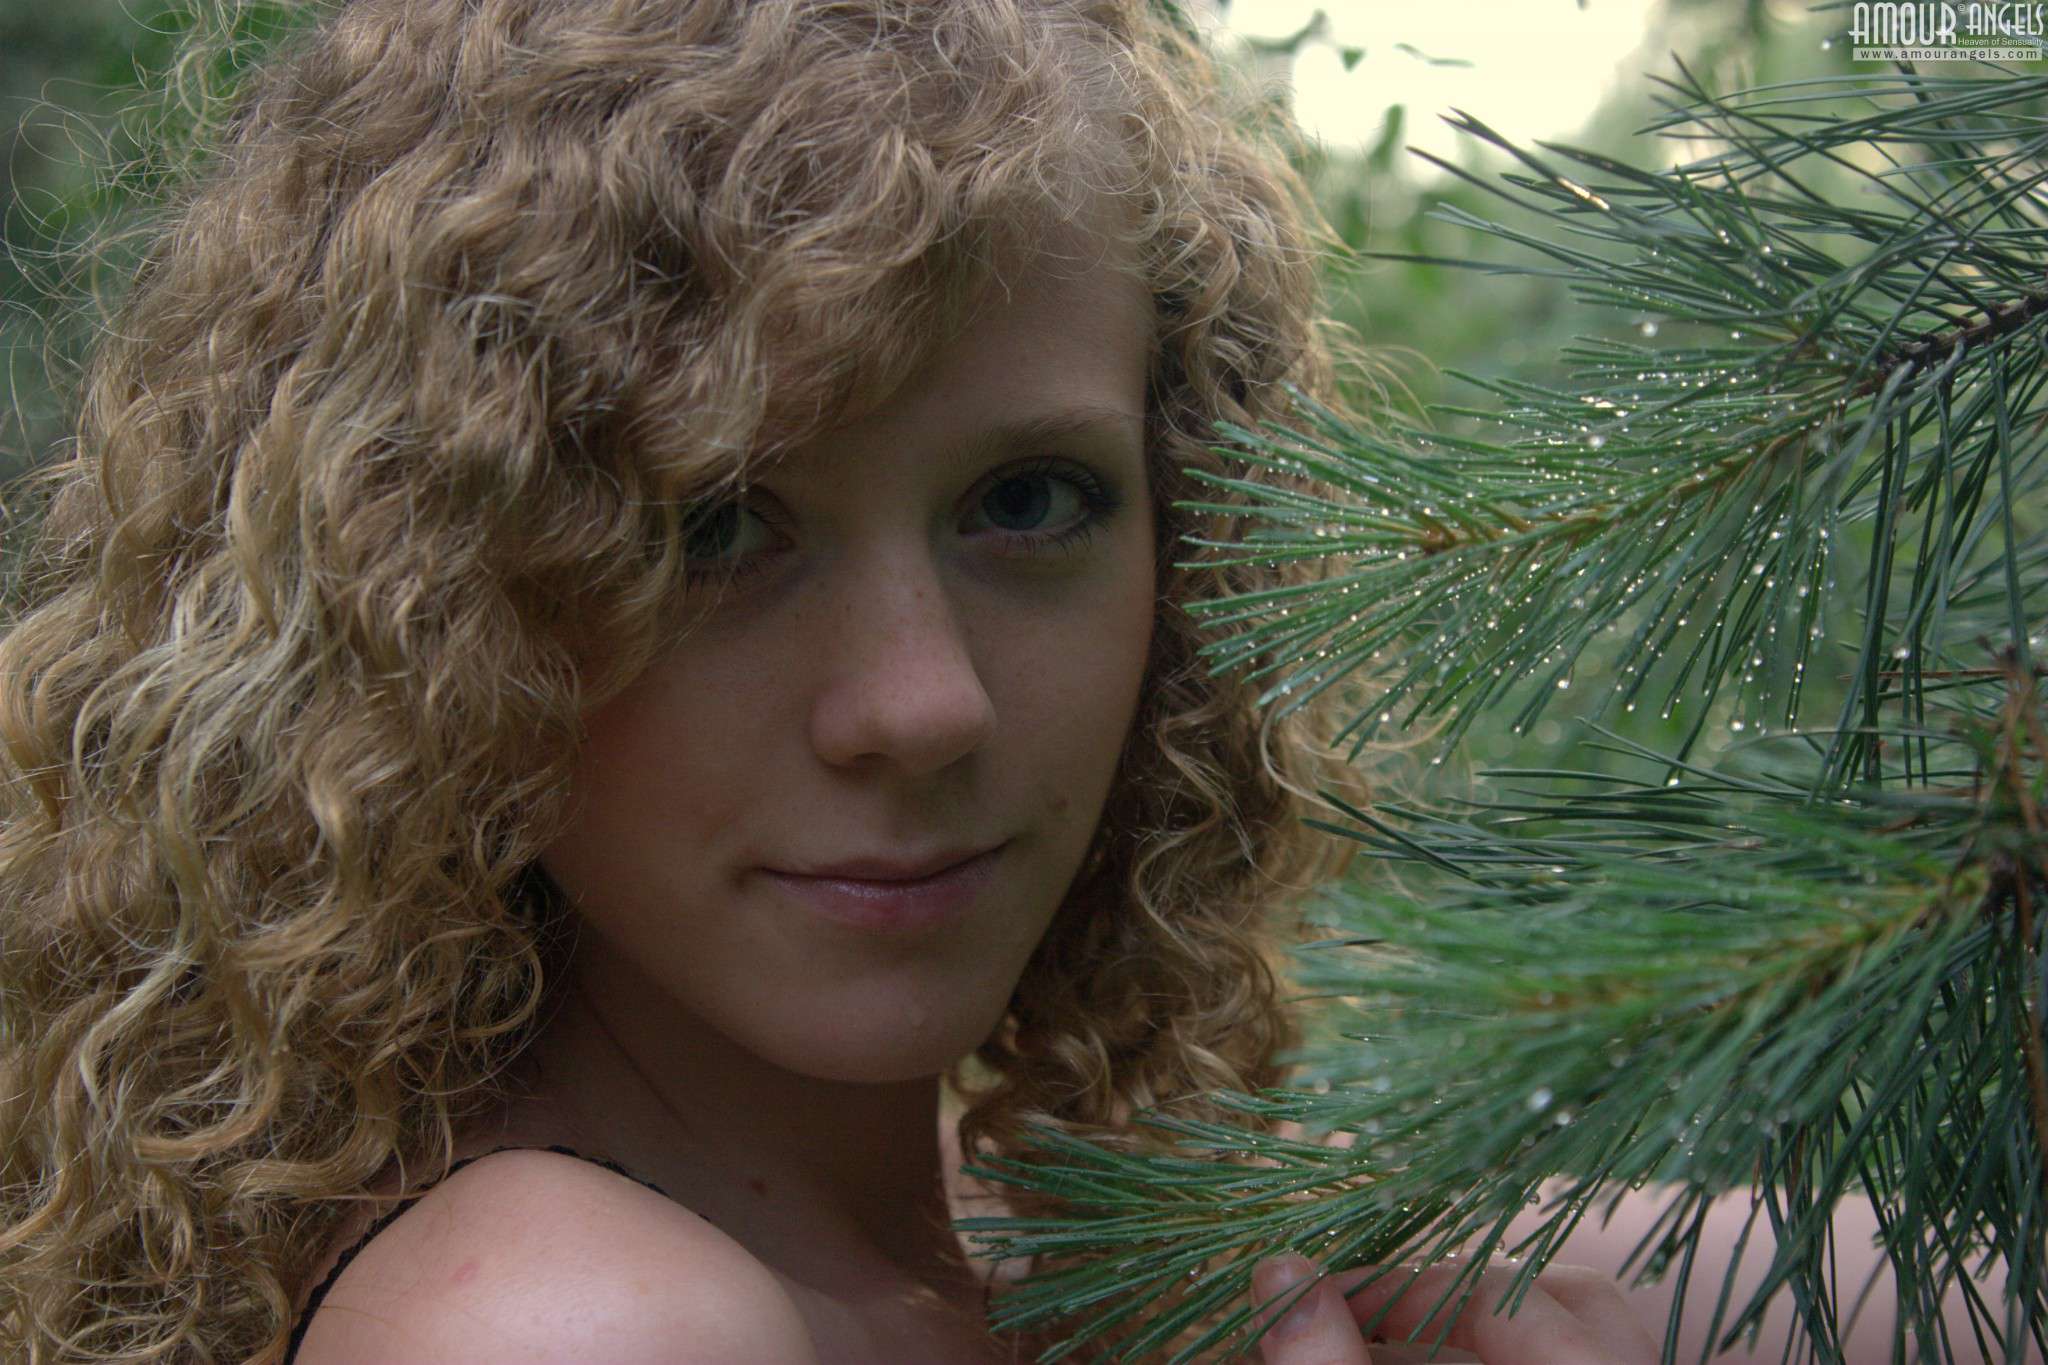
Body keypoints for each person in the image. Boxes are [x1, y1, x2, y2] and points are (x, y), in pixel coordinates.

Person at [0, 2, 1970, 1363]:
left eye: (1029, 500)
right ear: (435, 595)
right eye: (718, 526)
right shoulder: (575, 1317)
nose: (924, 701)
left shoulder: (1010, 1230)